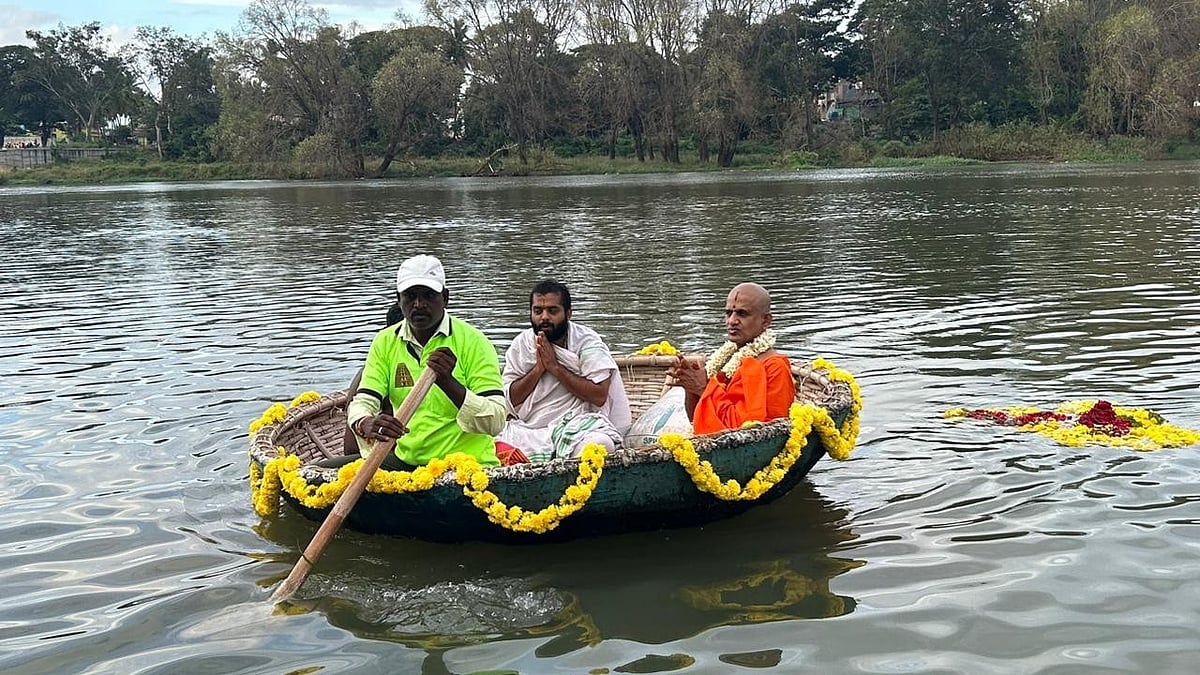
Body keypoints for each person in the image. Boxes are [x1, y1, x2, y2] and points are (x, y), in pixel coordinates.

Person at [328, 254, 508, 470]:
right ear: (399, 299)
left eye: (429, 296)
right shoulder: (385, 342)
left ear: (445, 298)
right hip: (407, 463)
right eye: (410, 296)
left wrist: (448, 382)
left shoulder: (474, 342)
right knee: (314, 477)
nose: (419, 304)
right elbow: (364, 400)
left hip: (466, 466)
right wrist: (365, 422)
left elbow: (496, 421)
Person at [495, 280, 631, 462]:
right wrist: (538, 369)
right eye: (538, 311)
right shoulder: (522, 345)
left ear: (568, 314)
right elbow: (509, 401)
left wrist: (555, 368)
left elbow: (599, 395)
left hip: (576, 425)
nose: (544, 317)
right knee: (483, 440)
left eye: (552, 311)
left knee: (600, 444)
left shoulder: (587, 342)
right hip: (531, 428)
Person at [667, 282, 795, 435]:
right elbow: (696, 419)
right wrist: (692, 389)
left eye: (742, 314)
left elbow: (750, 433)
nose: (732, 321)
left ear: (766, 321)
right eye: (728, 313)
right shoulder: (725, 361)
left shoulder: (775, 368)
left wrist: (704, 387)